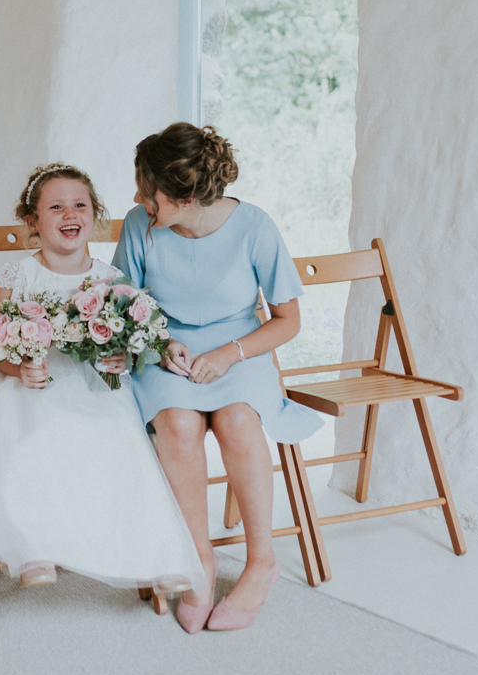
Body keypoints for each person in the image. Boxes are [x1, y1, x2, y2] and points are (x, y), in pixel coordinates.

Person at [0, 163, 205, 598]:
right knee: (35, 436)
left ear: (94, 214)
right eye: (56, 206)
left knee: (123, 441)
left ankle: (159, 555)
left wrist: (120, 357)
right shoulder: (17, 276)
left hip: (90, 383)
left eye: (80, 205)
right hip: (31, 383)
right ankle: (34, 546)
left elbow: (125, 342)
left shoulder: (109, 279)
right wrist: (18, 367)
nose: (70, 214)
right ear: (33, 222)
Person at [112, 123, 322, 633]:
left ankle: (261, 562)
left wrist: (230, 354)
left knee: (237, 422)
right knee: (179, 426)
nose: (138, 197)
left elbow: (287, 320)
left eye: (147, 188)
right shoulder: (139, 224)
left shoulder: (254, 227)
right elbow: (122, 300)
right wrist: (159, 345)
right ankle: (198, 560)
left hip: (241, 349)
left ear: (182, 196)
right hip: (167, 353)